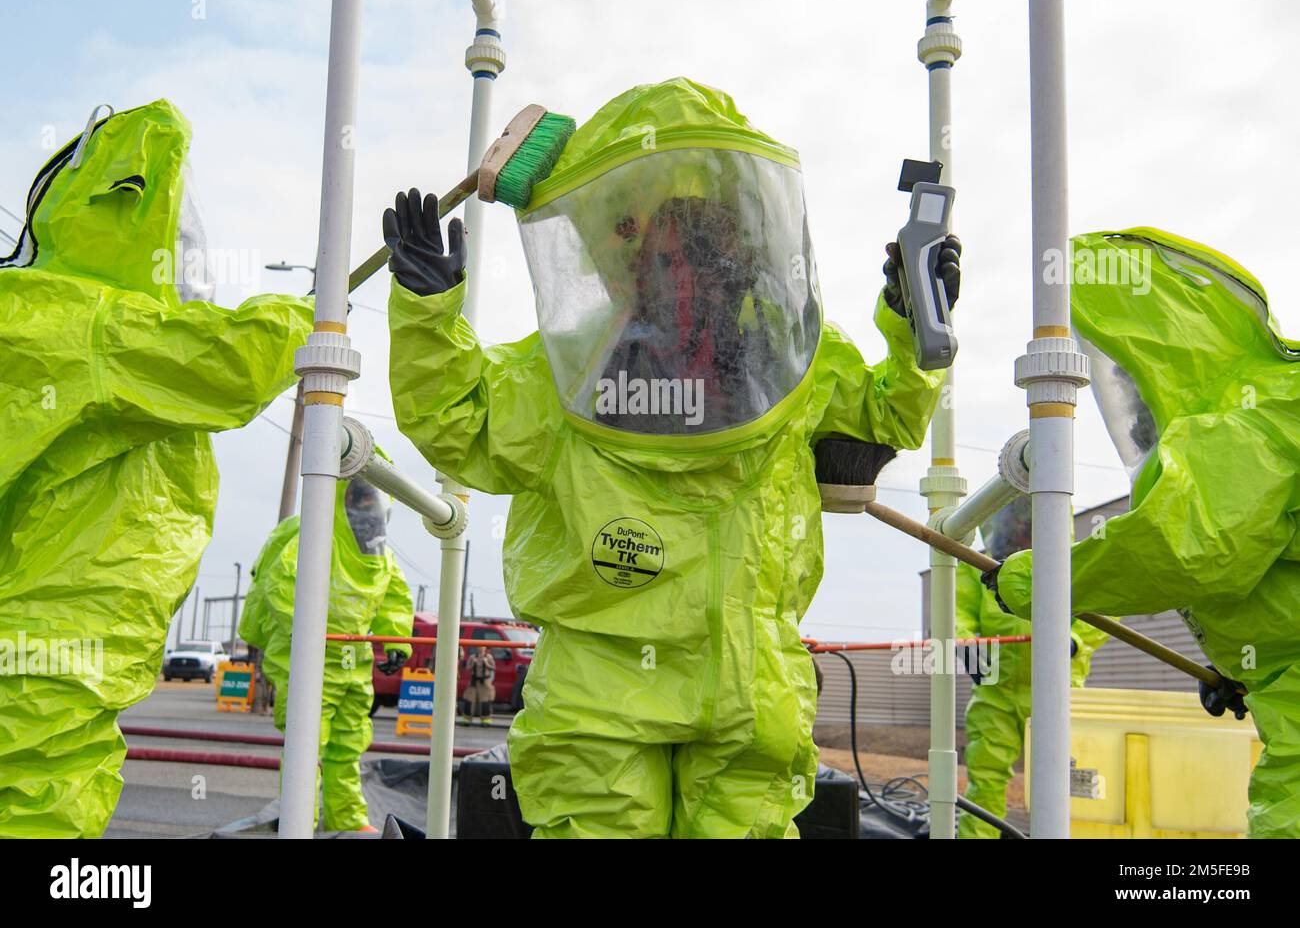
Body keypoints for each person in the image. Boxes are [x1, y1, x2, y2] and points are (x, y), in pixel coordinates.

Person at [385, 78, 960, 837]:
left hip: (734, 690)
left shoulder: (790, 365)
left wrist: (916, 314)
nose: (692, 267)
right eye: (676, 247)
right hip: (617, 696)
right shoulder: (581, 370)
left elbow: (888, 410)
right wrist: (429, 313)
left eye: (706, 242)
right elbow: (462, 423)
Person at [0, 100, 313, 838]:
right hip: (47, 654)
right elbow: (231, 366)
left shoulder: (39, 313)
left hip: (47, 643)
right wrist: (309, 315)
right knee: (39, 810)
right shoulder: (88, 323)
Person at [986, 227, 1299, 838]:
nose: (1123, 399)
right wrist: (1244, 671)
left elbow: (1183, 549)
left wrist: (1034, 581)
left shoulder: (1246, 419)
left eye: (1119, 370)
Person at [239, 475, 414, 832]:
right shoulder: (315, 538)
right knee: (306, 748)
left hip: (353, 661)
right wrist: (309, 633)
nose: (369, 514)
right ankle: (299, 821)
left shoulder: (379, 555)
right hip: (310, 662)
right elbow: (281, 587)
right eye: (361, 503)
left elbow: (394, 597)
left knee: (348, 744)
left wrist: (397, 641)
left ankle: (345, 818)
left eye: (372, 504)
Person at [955, 497, 1108, 838]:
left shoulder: (1073, 563)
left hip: (1058, 695)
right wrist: (963, 642)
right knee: (986, 783)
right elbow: (957, 610)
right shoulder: (979, 565)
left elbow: (1107, 609)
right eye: (1015, 529)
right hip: (996, 694)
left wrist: (1073, 641)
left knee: (1067, 787)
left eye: (1028, 528)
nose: (1021, 537)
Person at [460, 646, 496, 727]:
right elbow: (467, 668)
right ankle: (466, 719)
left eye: (482, 647)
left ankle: (486, 720)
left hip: (484, 682)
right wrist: (473, 663)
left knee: (485, 702)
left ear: (485, 648)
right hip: (474, 681)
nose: (480, 648)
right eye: (479, 647)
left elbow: (493, 667)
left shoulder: (489, 657)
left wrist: (486, 663)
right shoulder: (472, 657)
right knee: (469, 700)